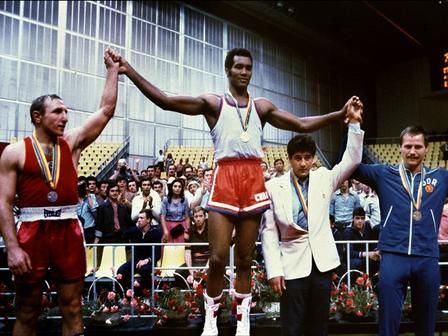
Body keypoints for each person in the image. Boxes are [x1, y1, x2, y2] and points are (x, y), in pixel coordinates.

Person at [111, 47, 358, 336]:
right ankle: (212, 318)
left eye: (248, 68)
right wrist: (129, 71)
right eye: (238, 67)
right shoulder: (213, 103)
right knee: (216, 257)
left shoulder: (261, 106)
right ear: (228, 70)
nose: (244, 72)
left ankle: (242, 320)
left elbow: (301, 124)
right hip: (226, 176)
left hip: (252, 177)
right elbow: (165, 102)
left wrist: (340, 114)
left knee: (243, 258)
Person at [0, 49, 119, 336]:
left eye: (66, 112)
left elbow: (105, 110)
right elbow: (3, 203)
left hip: (68, 229)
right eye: (58, 112)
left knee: (72, 306)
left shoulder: (72, 143)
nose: (65, 117)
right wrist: (13, 247)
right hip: (31, 230)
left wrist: (113, 71)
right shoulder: (15, 153)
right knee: (28, 309)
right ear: (37, 116)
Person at [261, 105, 363, 336]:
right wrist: (273, 270)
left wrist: (354, 123)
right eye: (298, 158)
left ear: (314, 158)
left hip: (322, 264)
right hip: (291, 266)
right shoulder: (272, 187)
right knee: (292, 328)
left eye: (308, 157)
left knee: (319, 327)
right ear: (289, 159)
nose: (303, 163)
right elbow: (268, 232)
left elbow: (352, 159)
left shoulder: (325, 178)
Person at [353, 125, 448, 336]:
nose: (412, 151)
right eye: (408, 146)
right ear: (400, 148)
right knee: (388, 323)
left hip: (426, 256)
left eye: (418, 146)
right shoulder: (384, 174)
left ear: (426, 148)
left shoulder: (441, 177)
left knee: (426, 325)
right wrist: (353, 126)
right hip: (394, 255)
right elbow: (353, 165)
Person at [116, 209, 162, 289]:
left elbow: (157, 254)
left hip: (148, 262)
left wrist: (146, 260)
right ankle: (131, 290)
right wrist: (134, 228)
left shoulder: (156, 232)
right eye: (138, 218)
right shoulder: (135, 231)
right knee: (120, 271)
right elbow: (123, 236)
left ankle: (146, 294)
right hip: (135, 261)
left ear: (148, 220)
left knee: (144, 271)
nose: (139, 220)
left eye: (141, 218)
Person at [343, 207, 380, 275]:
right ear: (353, 219)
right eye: (357, 218)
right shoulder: (348, 231)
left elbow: (372, 243)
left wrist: (376, 251)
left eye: (362, 218)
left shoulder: (367, 226)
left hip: (367, 258)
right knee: (357, 263)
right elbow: (350, 253)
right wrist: (367, 254)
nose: (360, 221)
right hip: (354, 259)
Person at [160, 178, 190, 243]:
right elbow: (162, 217)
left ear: (182, 189)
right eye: (175, 186)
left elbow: (187, 217)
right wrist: (165, 230)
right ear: (171, 188)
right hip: (168, 226)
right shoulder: (166, 200)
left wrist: (187, 231)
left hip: (181, 226)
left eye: (179, 187)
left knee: (180, 249)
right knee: (168, 249)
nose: (177, 188)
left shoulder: (184, 200)